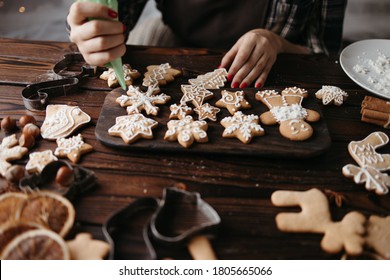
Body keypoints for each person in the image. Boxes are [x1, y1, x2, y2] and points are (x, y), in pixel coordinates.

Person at [67, 0, 347, 89]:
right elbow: (114, 14)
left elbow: (323, 55)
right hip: (177, 36)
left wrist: (274, 42)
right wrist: (91, 30)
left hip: (281, 55)